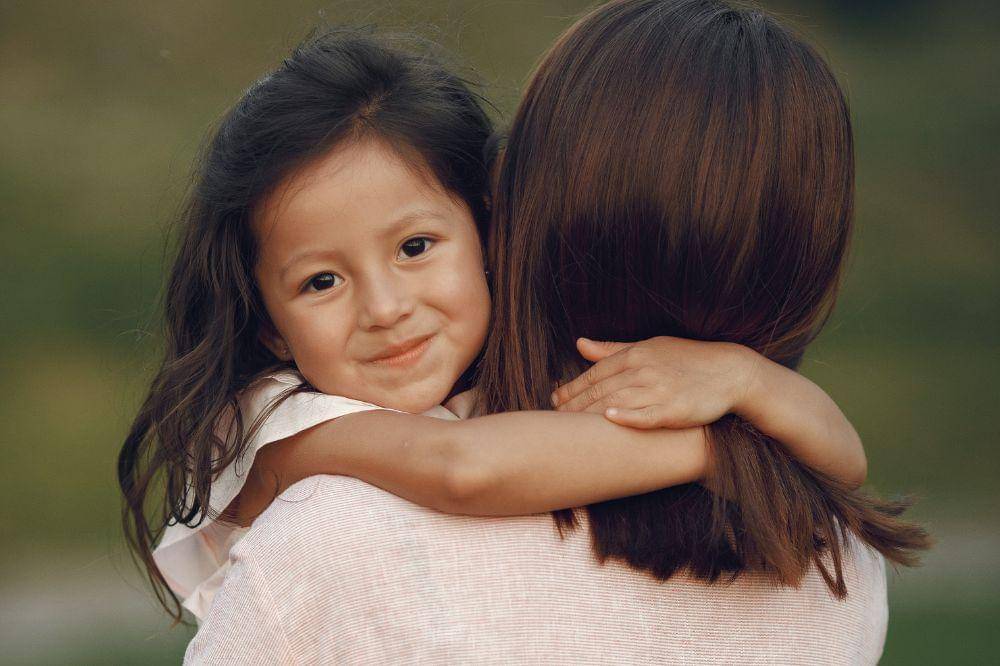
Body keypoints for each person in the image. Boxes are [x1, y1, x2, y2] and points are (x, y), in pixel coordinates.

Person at [185, 0, 929, 662]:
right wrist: (734, 438)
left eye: (415, 248)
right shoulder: (835, 561)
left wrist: (748, 387)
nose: (384, 308)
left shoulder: (342, 535)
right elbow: (461, 467)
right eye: (322, 282)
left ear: (493, 220)